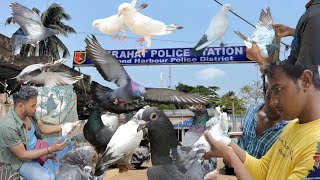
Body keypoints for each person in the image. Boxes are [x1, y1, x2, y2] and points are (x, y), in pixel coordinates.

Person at [203, 65, 320, 179]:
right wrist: (226, 143)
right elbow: (263, 170)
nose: (272, 102)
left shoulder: (317, 149)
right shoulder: (292, 125)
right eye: (270, 92)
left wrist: (230, 158)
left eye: (278, 89)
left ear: (305, 81)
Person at [0, 86, 76, 180]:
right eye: (33, 105)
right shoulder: (8, 126)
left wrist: (63, 126)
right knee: (48, 177)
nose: (36, 108)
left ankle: (49, 164)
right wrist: (48, 151)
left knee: (67, 142)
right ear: (20, 106)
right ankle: (50, 163)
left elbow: (43, 128)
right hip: (22, 160)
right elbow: (22, 155)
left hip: (38, 145)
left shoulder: (30, 113)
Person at [246, 0, 320, 65]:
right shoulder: (312, 11)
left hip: (297, 75)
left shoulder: (314, 14)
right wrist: (293, 32)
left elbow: (303, 69)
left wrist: (258, 57)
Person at [238, 90, 287, 159]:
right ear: (265, 93)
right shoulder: (251, 110)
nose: (272, 103)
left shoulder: (288, 128)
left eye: (279, 100)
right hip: (234, 166)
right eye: (269, 96)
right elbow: (243, 138)